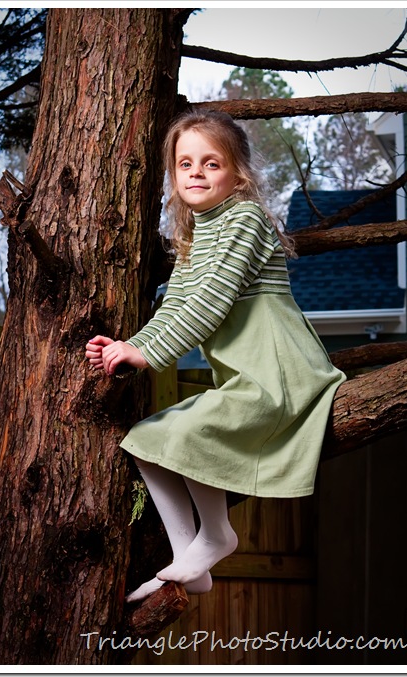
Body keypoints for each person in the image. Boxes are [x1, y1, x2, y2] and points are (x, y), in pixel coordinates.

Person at [85, 109, 346, 604]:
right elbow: (176, 308)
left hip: (280, 371)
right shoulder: (196, 236)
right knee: (146, 442)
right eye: (186, 165)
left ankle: (217, 536)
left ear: (238, 174)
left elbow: (208, 305)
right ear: (174, 175)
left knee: (186, 433)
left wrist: (143, 357)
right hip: (246, 375)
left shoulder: (245, 219)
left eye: (211, 163)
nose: (197, 173)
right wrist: (130, 347)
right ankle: (190, 558)